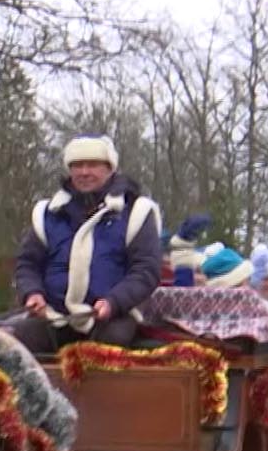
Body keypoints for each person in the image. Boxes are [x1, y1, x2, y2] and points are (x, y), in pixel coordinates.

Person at [10, 134, 164, 354]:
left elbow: (146, 270)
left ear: (109, 168)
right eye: (77, 166)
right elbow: (28, 264)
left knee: (108, 346)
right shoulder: (47, 214)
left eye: (92, 165)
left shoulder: (137, 212)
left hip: (112, 317)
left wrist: (113, 302)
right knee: (23, 337)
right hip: (55, 317)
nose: (84, 172)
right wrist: (32, 293)